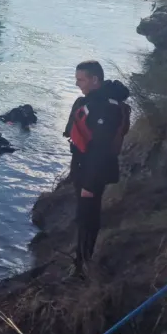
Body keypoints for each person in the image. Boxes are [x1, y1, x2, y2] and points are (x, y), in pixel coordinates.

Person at [63, 60, 131, 279]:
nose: (77, 84)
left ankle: (82, 267)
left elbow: (100, 150)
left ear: (95, 80)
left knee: (87, 218)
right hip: (83, 166)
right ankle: (80, 260)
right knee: (83, 217)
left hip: (92, 172)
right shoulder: (94, 101)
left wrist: (89, 185)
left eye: (81, 79)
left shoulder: (105, 108)